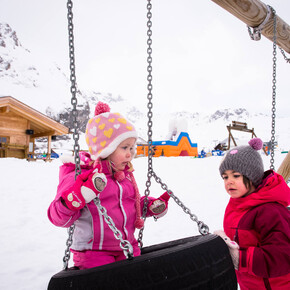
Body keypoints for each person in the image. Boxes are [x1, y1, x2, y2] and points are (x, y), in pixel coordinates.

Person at [48, 101, 170, 269]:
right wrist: (74, 199)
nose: (130, 154)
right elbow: (57, 218)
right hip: (93, 252)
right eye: (124, 147)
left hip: (127, 247)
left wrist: (148, 206)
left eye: (132, 147)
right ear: (106, 149)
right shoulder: (81, 175)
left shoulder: (125, 177)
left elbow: (129, 206)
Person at [215, 137, 290, 289]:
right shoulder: (239, 205)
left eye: (236, 176)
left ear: (253, 177)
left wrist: (240, 259)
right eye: (225, 177)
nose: (229, 181)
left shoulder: (270, 211)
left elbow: (281, 256)